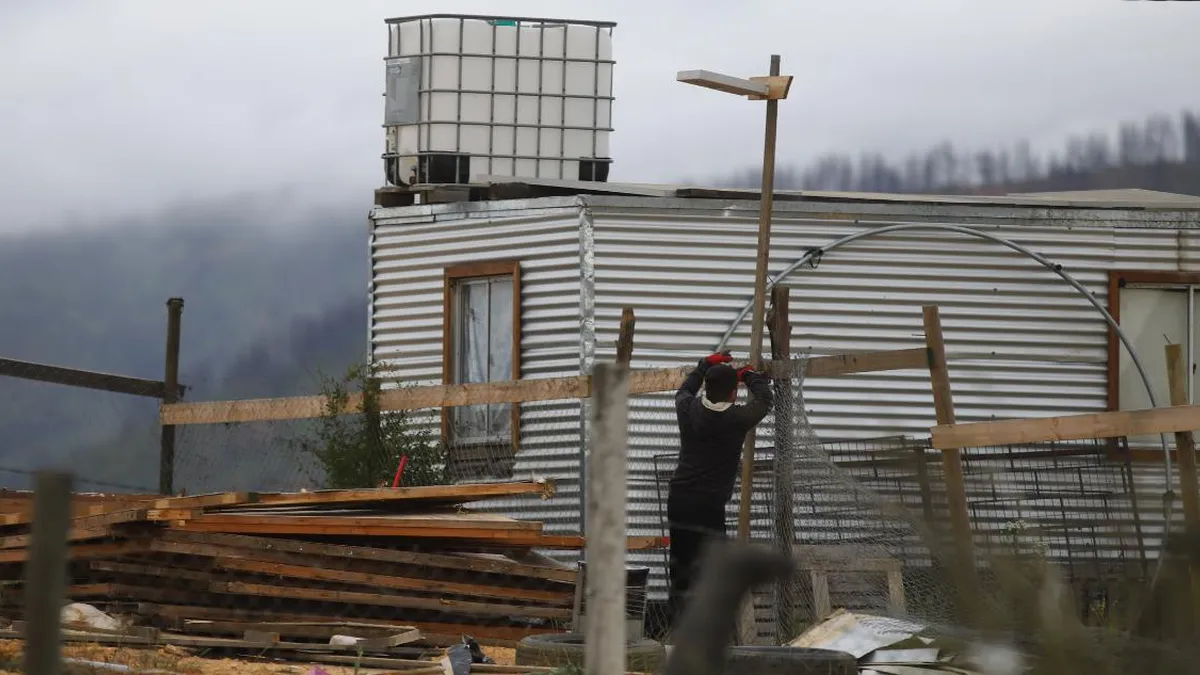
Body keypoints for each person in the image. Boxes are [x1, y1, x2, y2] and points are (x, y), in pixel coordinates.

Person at [666, 350, 773, 630]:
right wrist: (749, 375)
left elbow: (684, 390)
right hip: (708, 505)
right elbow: (765, 401)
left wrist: (703, 366)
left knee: (681, 568)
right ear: (734, 394)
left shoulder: (688, 410)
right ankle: (714, 633)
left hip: (679, 499)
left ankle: (675, 633)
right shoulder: (735, 419)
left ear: (706, 388)